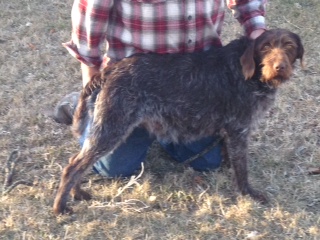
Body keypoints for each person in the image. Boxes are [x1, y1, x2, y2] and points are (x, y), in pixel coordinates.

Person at [56, 0, 267, 178]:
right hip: (135, 84)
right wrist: (91, 91)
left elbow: (247, 2)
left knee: (208, 162)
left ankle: (160, 131)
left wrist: (259, 33)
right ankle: (82, 105)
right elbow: (91, 14)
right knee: (114, 169)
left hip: (199, 85)